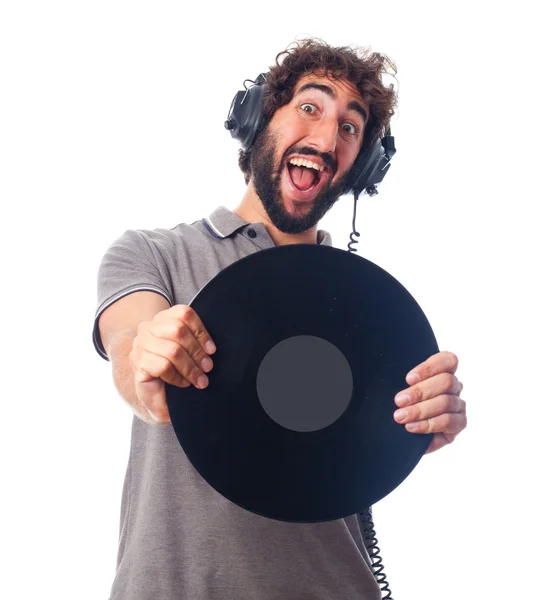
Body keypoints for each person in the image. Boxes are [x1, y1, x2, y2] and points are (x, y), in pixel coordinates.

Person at [92, 38, 467, 600]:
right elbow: (128, 345)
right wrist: (143, 361)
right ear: (260, 120)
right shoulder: (151, 254)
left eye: (350, 128)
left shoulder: (365, 305)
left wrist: (416, 425)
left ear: (361, 165)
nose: (325, 138)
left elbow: (376, 430)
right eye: (310, 108)